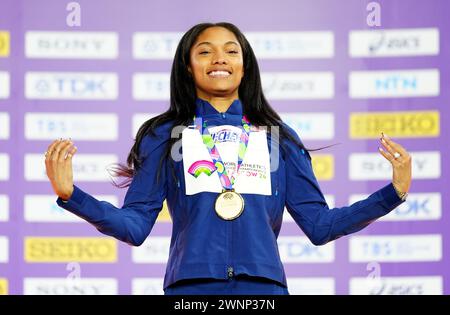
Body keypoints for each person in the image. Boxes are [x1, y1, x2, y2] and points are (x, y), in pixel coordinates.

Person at [44, 22, 412, 295]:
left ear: (245, 65)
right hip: (190, 290)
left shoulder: (278, 137)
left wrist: (392, 193)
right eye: (205, 51)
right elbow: (135, 226)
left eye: (231, 50)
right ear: (188, 66)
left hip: (263, 291)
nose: (219, 58)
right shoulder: (165, 134)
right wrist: (72, 195)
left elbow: (320, 225)